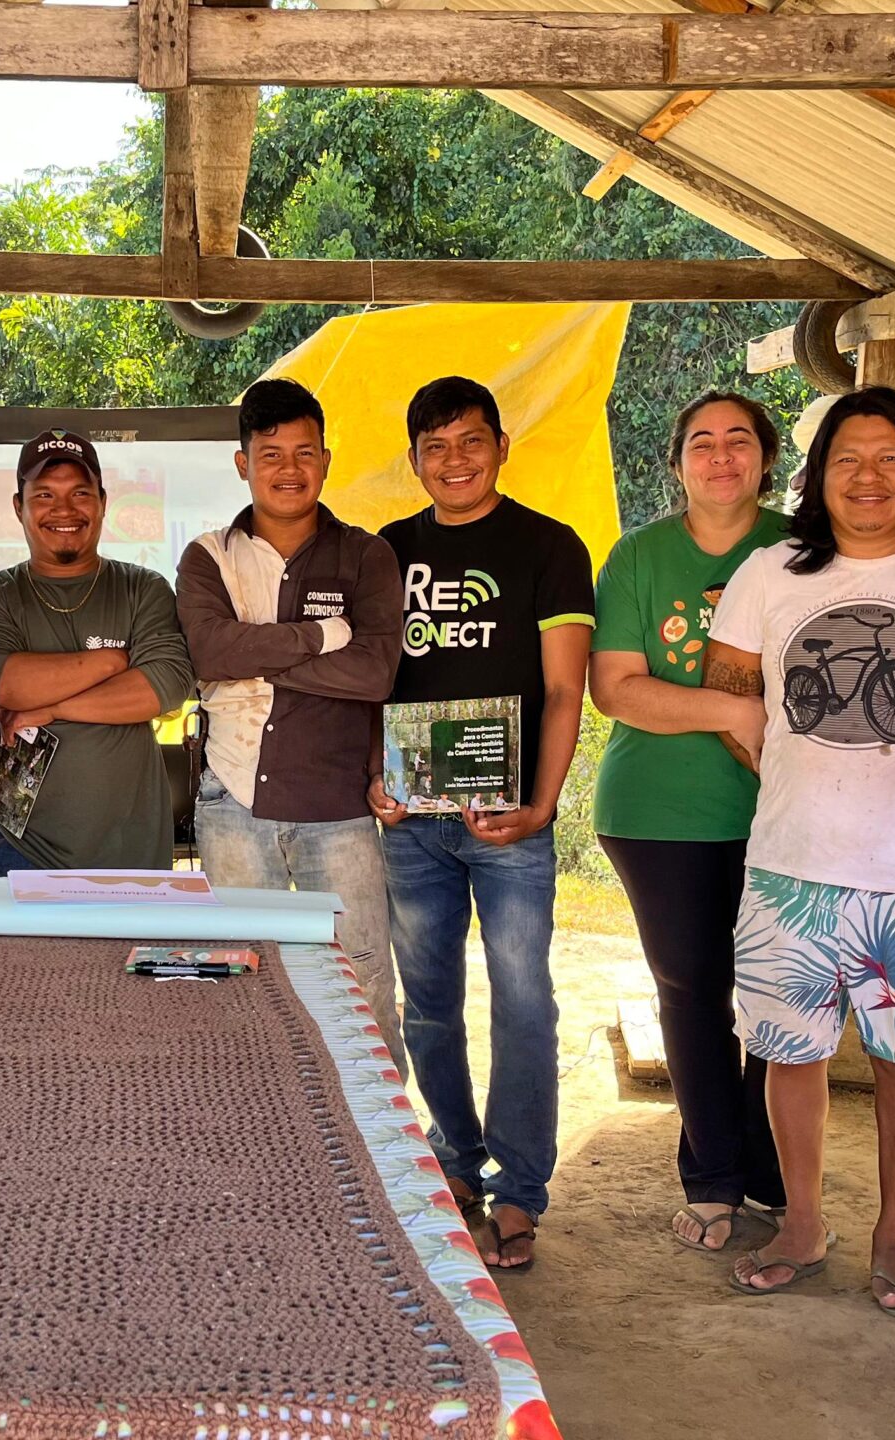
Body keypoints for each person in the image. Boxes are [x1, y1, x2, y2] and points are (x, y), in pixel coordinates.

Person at [703, 384, 895, 1312]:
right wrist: (787, 775)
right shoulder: (772, 574)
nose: (867, 477)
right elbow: (734, 694)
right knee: (788, 1055)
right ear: (816, 477)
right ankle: (803, 1221)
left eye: (888, 458)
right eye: (847, 460)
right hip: (789, 868)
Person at [373, 376, 594, 1273]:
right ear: (415, 460)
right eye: (435, 447)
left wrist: (540, 805)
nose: (453, 461)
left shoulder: (548, 546)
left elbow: (565, 689)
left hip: (510, 824)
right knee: (426, 1005)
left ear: (503, 446)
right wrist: (372, 780)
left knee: (523, 1001)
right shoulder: (387, 550)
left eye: (471, 441)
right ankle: (456, 1163)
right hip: (413, 825)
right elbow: (368, 684)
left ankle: (521, 1190)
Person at [588, 391, 790, 1253]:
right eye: (700, 442)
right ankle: (712, 1177)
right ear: (676, 464)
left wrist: (717, 708)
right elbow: (617, 688)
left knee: (784, 997)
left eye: (737, 440)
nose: (719, 456)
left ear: (765, 459)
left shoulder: (803, 551)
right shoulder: (639, 556)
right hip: (658, 813)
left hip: (793, 813)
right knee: (694, 995)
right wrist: (732, 712)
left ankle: (774, 1170)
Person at [179, 379, 405, 1061]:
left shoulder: (367, 555)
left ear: (326, 461)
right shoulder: (207, 556)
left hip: (337, 810)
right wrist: (322, 634)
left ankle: (381, 1151)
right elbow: (209, 652)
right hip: (232, 804)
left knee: (361, 983)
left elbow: (374, 673)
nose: (289, 469)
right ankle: (258, 1138)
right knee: (241, 982)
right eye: (271, 454)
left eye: (304, 453)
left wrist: (254, 654)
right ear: (243, 463)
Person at [0, 429, 193, 875]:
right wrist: (113, 662)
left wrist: (52, 708)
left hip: (135, 842)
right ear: (18, 506)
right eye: (45, 494)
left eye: (79, 493)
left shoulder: (142, 587)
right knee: (20, 950)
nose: (64, 510)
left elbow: (163, 686)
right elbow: (2, 681)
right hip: (25, 847)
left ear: (103, 502)